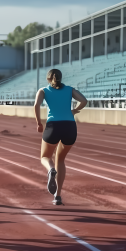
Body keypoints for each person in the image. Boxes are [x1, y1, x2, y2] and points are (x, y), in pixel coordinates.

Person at [33, 68, 87, 205]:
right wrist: (73, 111)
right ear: (60, 78)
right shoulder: (69, 89)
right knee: (61, 160)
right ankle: (57, 196)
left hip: (53, 127)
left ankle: (51, 169)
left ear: (48, 79)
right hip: (70, 127)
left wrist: (39, 123)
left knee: (45, 157)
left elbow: (36, 105)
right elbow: (84, 100)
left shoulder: (43, 91)